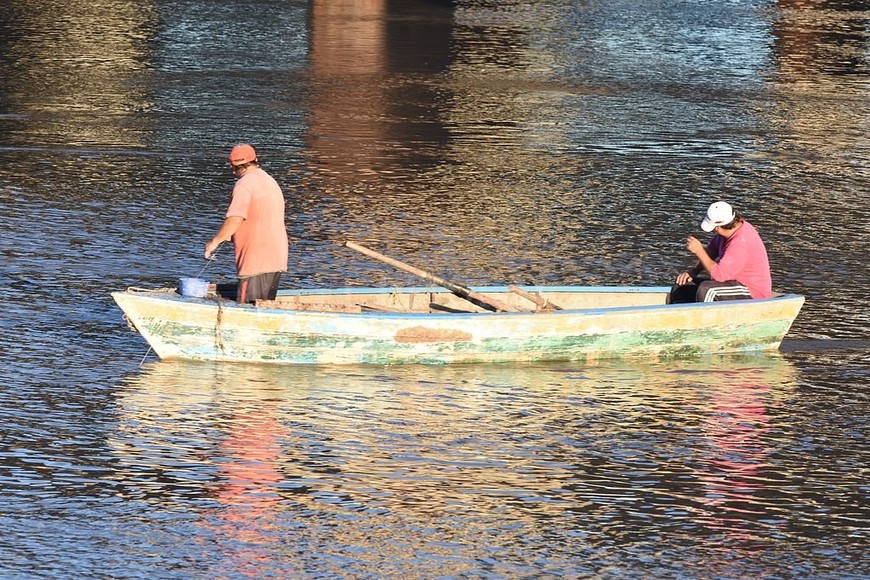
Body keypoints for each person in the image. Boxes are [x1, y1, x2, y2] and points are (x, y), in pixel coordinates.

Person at [204, 143, 289, 304]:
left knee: (247, 307)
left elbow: (235, 217)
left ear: (233, 166)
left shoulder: (244, 185)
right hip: (277, 255)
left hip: (256, 259)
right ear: (256, 160)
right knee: (263, 307)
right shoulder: (269, 180)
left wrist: (214, 242)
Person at [670, 201, 772, 304]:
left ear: (717, 227)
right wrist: (693, 271)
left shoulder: (741, 242)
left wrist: (699, 251)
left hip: (752, 292)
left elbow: (719, 275)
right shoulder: (725, 234)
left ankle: (706, 319)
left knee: (707, 290)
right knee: (681, 284)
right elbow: (711, 252)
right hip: (731, 284)